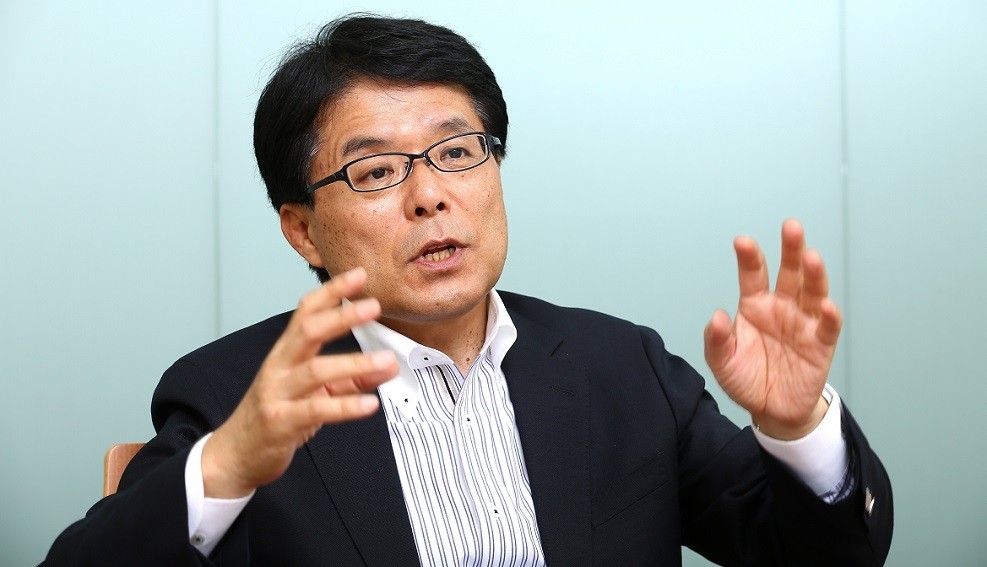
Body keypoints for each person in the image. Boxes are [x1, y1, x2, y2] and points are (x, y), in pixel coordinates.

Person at [43, 14, 892, 566]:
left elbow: (815, 555)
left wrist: (797, 431)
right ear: (301, 228)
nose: (430, 195)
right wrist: (229, 461)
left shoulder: (619, 367)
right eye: (376, 170)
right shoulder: (238, 392)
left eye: (457, 153)